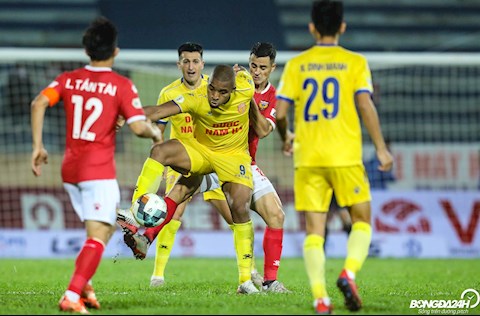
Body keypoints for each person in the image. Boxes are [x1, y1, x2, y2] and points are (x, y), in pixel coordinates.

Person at [123, 42, 289, 293]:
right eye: (253, 65)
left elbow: (265, 129)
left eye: (262, 68)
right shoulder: (198, 95)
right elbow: (158, 112)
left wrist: (250, 98)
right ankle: (141, 228)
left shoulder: (250, 90)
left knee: (250, 212)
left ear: (272, 69)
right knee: (175, 192)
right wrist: (125, 114)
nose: (256, 71)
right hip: (201, 153)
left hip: (238, 161)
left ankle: (258, 278)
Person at [30, 17, 162, 314]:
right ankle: (72, 295)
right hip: (98, 172)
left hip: (70, 171)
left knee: (95, 234)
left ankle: (85, 286)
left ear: (86, 50)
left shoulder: (67, 79)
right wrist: (154, 132)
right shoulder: (121, 85)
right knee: (100, 235)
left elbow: (38, 103)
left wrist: (38, 146)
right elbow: (139, 127)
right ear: (115, 51)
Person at [275, 0, 394, 314]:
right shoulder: (355, 62)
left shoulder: (297, 64)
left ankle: (320, 298)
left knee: (314, 231)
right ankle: (348, 272)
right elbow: (365, 105)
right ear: (343, 26)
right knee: (362, 221)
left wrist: (286, 134)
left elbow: (281, 111)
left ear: (311, 27)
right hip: (345, 156)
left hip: (309, 157)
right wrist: (381, 147)